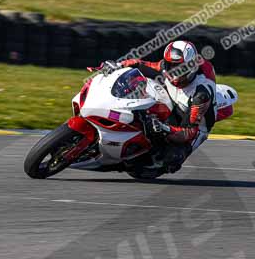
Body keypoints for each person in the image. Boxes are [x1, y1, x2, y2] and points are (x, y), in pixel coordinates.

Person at [96, 40, 234, 172]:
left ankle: (128, 162)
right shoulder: (166, 68)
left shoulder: (200, 95)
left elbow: (188, 133)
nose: (174, 71)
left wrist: (162, 128)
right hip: (175, 99)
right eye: (170, 65)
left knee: (171, 158)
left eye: (180, 67)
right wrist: (118, 65)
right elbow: (141, 65)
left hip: (193, 124)